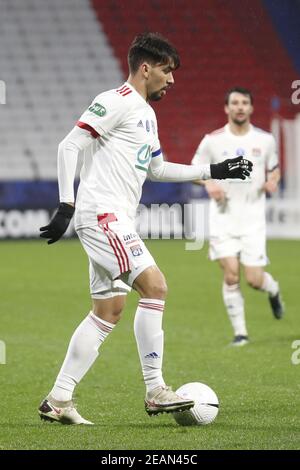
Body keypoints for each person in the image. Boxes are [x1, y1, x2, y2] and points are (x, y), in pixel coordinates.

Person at [38, 34, 252, 425]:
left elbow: (156, 169)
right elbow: (70, 145)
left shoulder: (147, 114)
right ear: (146, 68)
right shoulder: (116, 100)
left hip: (114, 216)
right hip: (103, 215)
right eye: (167, 72)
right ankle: (155, 389)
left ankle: (59, 399)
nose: (171, 81)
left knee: (108, 311)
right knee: (155, 287)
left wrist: (214, 171)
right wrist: (65, 204)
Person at [192, 86, 284, 347]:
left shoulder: (265, 140)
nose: (240, 107)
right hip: (223, 219)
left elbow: (274, 170)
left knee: (254, 280)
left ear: (251, 108)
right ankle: (241, 333)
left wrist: (272, 182)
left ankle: (273, 290)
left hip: (253, 221)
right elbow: (195, 171)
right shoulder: (213, 140)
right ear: (227, 108)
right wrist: (209, 184)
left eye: (245, 102)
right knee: (231, 274)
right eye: (235, 102)